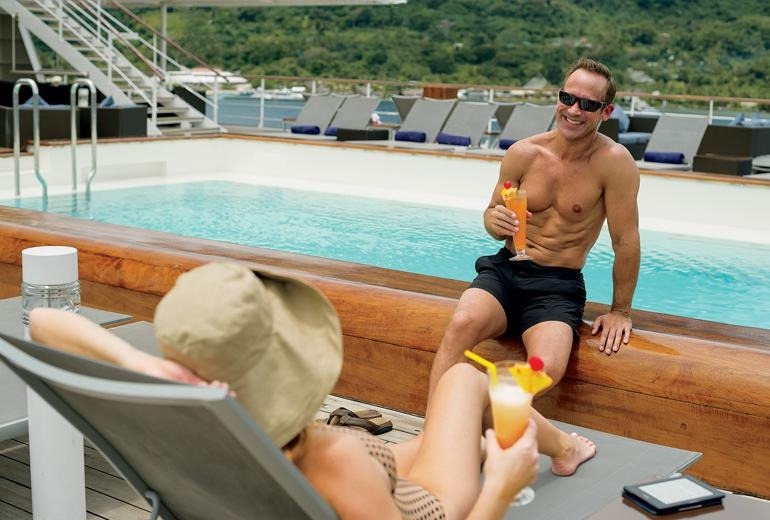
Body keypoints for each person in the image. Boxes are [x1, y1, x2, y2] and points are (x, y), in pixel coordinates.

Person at [31, 261, 565, 520]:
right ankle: (560, 449)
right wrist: (498, 487)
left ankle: (480, 447)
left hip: (322, 481)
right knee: (464, 379)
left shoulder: (184, 413)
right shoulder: (333, 455)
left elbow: (45, 325)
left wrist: (141, 362)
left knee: (442, 439)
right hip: (417, 506)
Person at [429, 57, 640, 397]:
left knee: (547, 368)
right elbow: (492, 216)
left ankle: (474, 423)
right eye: (568, 98)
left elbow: (626, 241)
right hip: (504, 272)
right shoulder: (524, 153)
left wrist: (620, 311)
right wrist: (493, 221)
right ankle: (436, 433)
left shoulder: (615, 164)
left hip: (557, 285)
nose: (574, 110)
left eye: (588, 104)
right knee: (461, 324)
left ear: (606, 111)